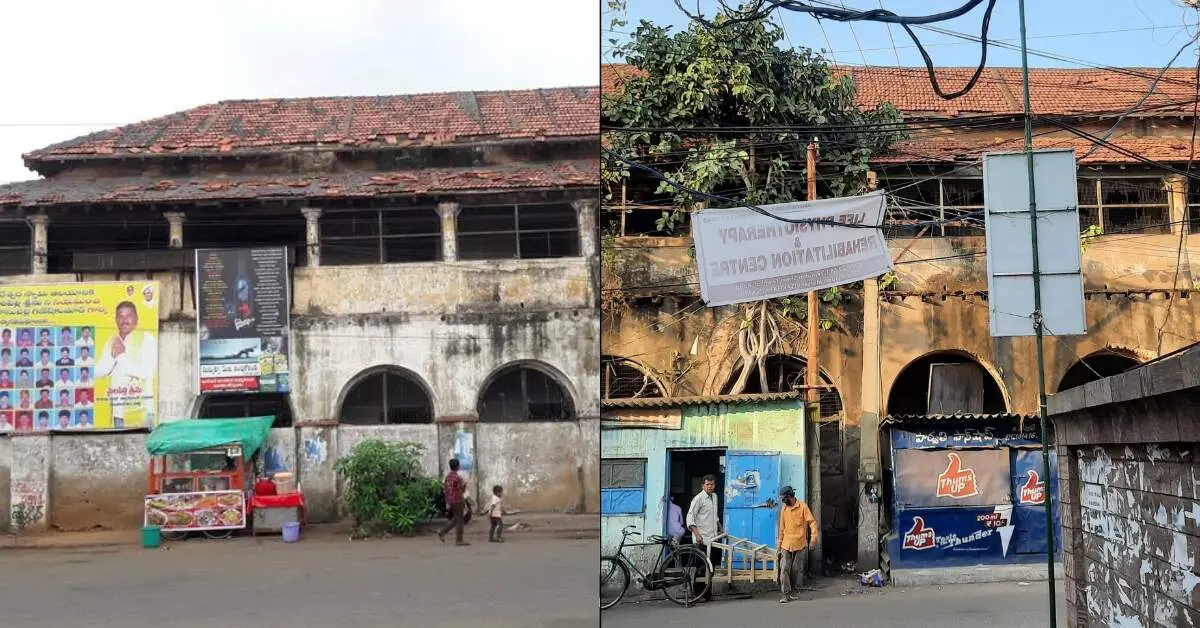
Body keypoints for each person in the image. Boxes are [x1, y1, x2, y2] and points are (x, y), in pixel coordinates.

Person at [95, 301, 157, 428]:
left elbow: (146, 372)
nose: (124, 320)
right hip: (118, 413)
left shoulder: (147, 339)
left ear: (136, 318)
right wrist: (113, 357)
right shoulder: (112, 341)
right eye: (120, 316)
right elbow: (99, 371)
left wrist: (121, 356)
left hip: (142, 412)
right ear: (116, 319)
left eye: (128, 316)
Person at [776, 485, 819, 603]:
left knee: (795, 570)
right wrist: (779, 547)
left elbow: (812, 523)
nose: (783, 501)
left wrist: (813, 539)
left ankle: (792, 591)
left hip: (800, 544)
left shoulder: (803, 507)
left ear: (790, 496)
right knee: (784, 568)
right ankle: (785, 594)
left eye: (784, 499)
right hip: (786, 544)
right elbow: (781, 530)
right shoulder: (784, 510)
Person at [686, 474, 722, 602]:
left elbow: (714, 515)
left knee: (710, 567)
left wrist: (719, 526)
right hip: (701, 539)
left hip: (712, 539)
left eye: (712, 485)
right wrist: (697, 534)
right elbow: (690, 518)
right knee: (701, 568)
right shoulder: (698, 499)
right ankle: (696, 594)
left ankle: (707, 594)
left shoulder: (715, 497)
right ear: (703, 485)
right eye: (708, 485)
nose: (710, 487)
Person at [437, 458, 469, 546]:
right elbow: (461, 490)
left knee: (456, 519)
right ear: (458, 466)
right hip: (458, 500)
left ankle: (443, 532)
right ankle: (459, 540)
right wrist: (465, 485)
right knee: (460, 520)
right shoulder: (458, 478)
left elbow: (446, 490)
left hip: (451, 500)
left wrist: (448, 501)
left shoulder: (447, 477)